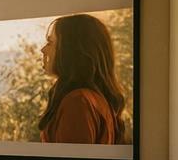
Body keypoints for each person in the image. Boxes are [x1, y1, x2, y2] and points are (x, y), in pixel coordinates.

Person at [38, 14, 125, 144]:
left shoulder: (78, 101)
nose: (43, 49)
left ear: (71, 50)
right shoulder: (89, 99)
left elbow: (70, 156)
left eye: (50, 43)